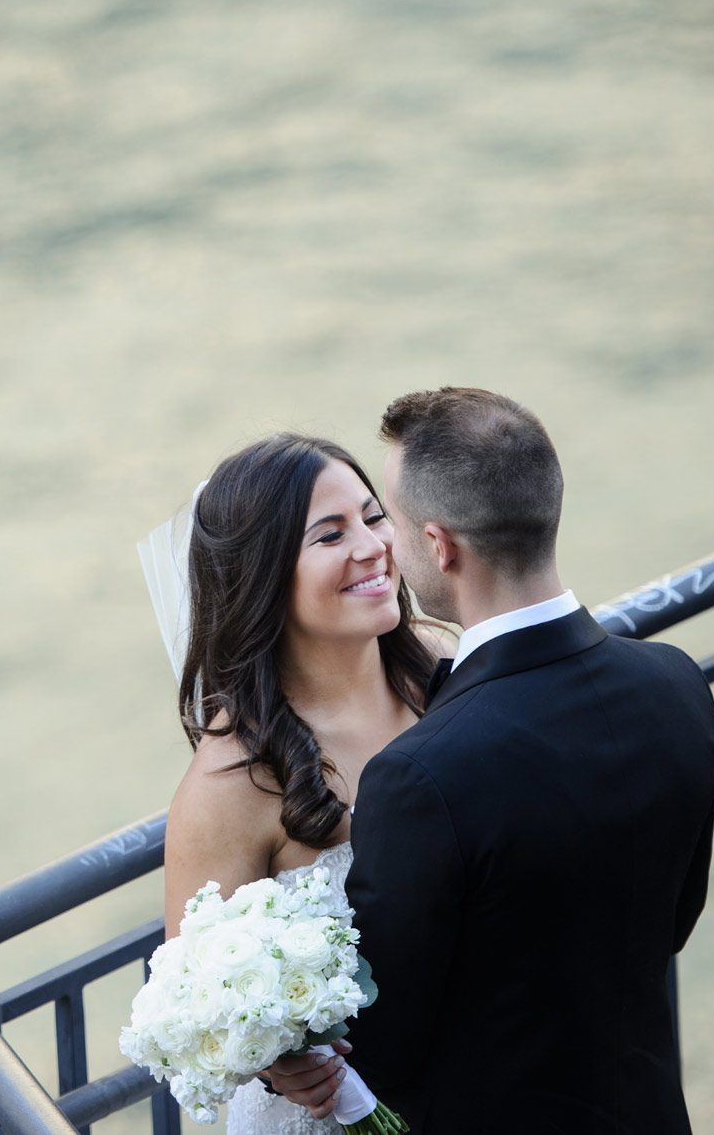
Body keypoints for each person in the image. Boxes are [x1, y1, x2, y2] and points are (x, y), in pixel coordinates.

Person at [263, 388, 714, 1133]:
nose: (385, 545)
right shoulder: (675, 682)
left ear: (440, 545)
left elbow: (387, 1040)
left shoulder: (421, 775)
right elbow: (674, 917)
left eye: (392, 521)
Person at [158, 432, 456, 1135]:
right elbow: (189, 1001)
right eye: (331, 534)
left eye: (374, 516)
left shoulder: (443, 667)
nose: (374, 545)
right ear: (265, 578)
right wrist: (272, 1060)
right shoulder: (230, 783)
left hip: (473, 1072)